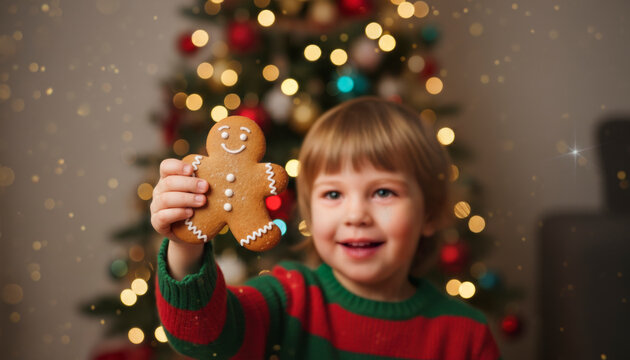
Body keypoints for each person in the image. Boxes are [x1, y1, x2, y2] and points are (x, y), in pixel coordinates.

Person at [151, 97, 502, 359]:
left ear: (429, 214)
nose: (356, 215)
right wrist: (186, 245)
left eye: (383, 192)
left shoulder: (465, 336)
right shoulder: (288, 300)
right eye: (333, 193)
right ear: (310, 214)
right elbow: (204, 338)